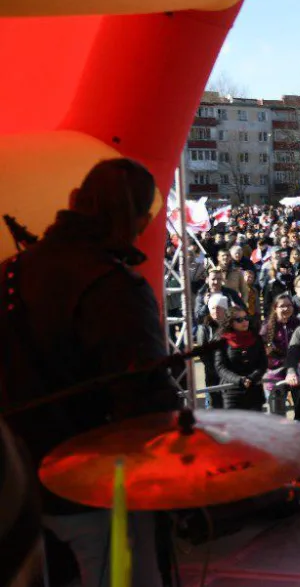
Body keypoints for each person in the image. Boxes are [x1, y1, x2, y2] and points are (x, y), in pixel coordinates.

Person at [0, 158, 179, 587]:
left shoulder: (9, 271)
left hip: (17, 488)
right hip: (97, 489)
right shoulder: (113, 287)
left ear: (76, 202)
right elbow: (148, 403)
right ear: (133, 218)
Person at [214, 305, 268, 410]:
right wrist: (239, 380)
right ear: (230, 322)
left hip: (254, 390)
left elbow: (263, 363)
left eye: (246, 318)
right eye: (239, 320)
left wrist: (252, 378)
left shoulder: (256, 337)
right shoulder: (221, 340)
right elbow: (220, 367)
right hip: (232, 391)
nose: (245, 322)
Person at [260, 293, 300, 414]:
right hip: (275, 374)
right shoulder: (267, 327)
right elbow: (262, 352)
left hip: (296, 372)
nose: (286, 309)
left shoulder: (298, 324)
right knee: (276, 413)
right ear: (275, 308)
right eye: (282, 306)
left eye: (289, 305)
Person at [195, 293, 231, 408]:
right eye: (213, 308)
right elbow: (203, 354)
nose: (216, 311)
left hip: (230, 374)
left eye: (219, 308)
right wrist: (215, 369)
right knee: (213, 407)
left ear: (225, 309)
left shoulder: (231, 326)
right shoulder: (204, 328)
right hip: (212, 375)